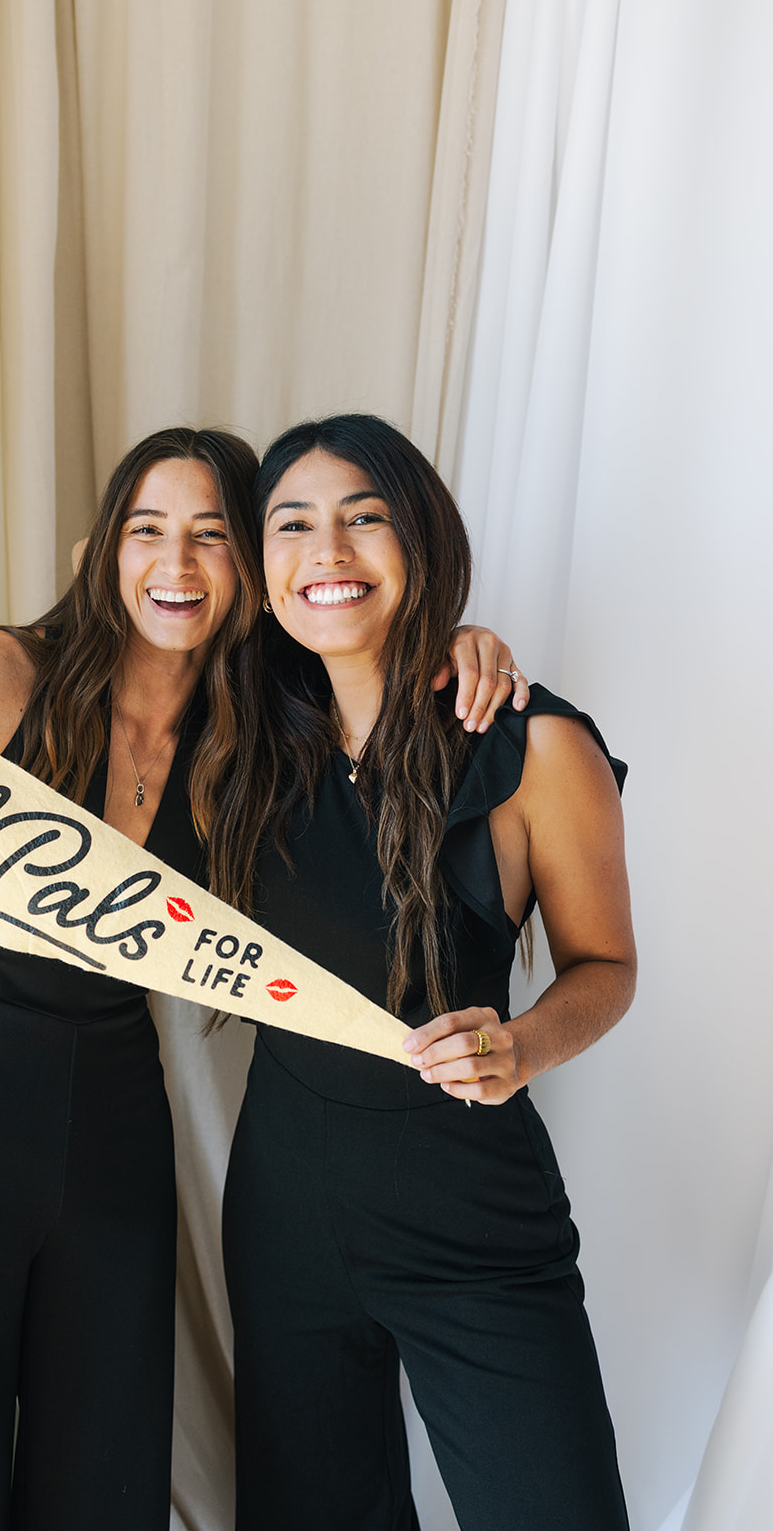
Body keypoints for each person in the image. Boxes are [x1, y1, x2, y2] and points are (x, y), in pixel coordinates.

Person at [0, 423, 524, 1531]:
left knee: (99, 1472)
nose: (175, 564)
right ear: (98, 551)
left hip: (114, 1119)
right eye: (147, 530)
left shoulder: (254, 740)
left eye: (209, 536)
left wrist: (465, 642)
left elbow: (375, 683)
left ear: (247, 571)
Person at [219, 414, 636, 1531]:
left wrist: (524, 1044)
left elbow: (604, 965)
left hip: (475, 1227)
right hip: (283, 1219)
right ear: (259, 574)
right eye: (292, 524)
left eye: (365, 517)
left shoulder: (535, 747)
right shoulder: (243, 743)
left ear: (424, 538)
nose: (330, 551)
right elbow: (102, 595)